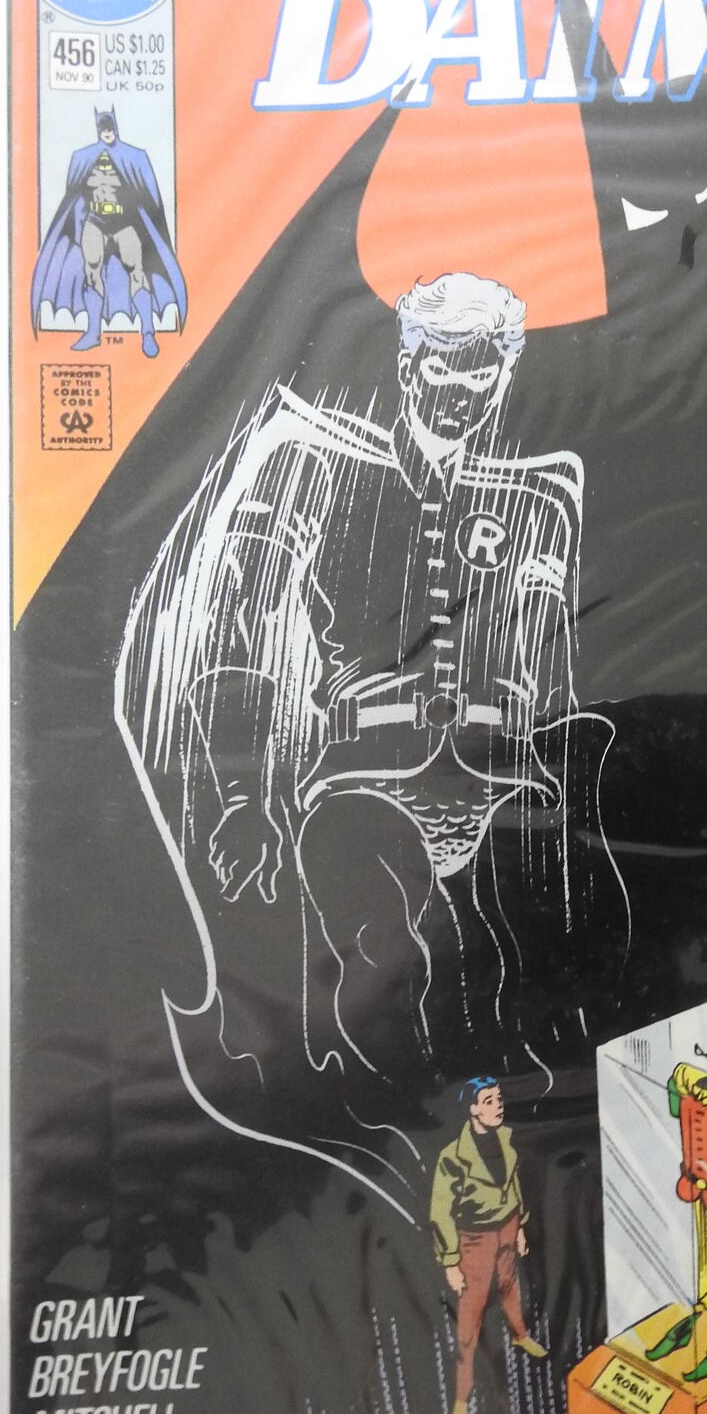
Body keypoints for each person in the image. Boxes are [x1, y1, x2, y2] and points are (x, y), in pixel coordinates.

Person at [120, 271, 620, 1096]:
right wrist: (245, 798)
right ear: (407, 363)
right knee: (379, 981)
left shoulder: (538, 501)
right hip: (365, 777)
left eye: (479, 377)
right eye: (440, 371)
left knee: (541, 978)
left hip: (506, 781)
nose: (458, 396)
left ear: (504, 376)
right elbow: (240, 632)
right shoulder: (316, 467)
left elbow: (559, 664)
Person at [429, 1077, 547, 1414]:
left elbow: (512, 1186)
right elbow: (440, 1212)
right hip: (475, 1240)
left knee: (509, 1285)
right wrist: (451, 1260)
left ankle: (519, 1335)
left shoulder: (506, 1139)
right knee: (470, 1317)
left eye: (499, 1099)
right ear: (473, 1109)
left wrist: (520, 1225)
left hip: (507, 1227)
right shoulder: (452, 1157)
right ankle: (461, 1400)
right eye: (489, 1101)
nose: (498, 1105)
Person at [30, 105, 187, 357]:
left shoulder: (134, 156)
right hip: (95, 222)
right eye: (103, 127)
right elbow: (73, 195)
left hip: (125, 223)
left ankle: (148, 333)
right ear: (97, 128)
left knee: (138, 273)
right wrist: (79, 224)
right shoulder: (82, 157)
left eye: (110, 127)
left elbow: (150, 199)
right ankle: (93, 332)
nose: (107, 132)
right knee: (91, 273)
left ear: (115, 126)